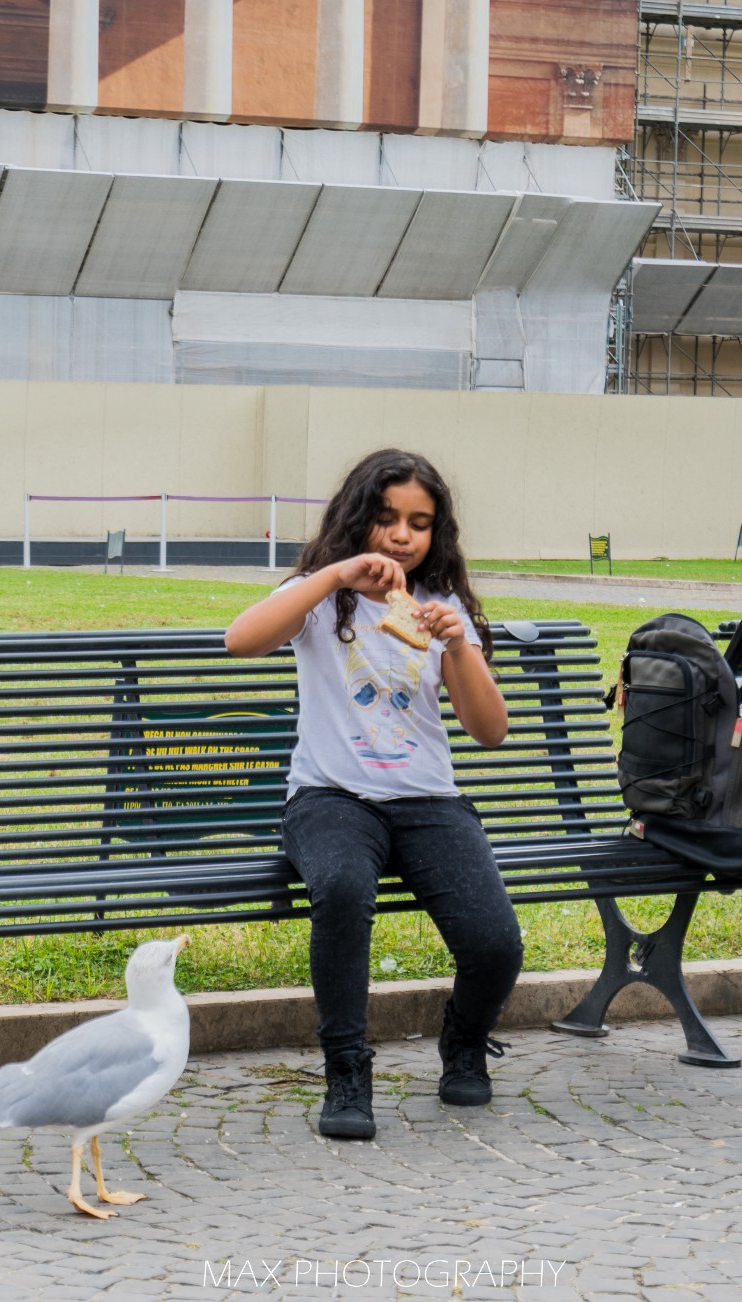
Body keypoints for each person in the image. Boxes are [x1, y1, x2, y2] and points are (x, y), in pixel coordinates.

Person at [224, 448, 522, 1140]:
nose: (401, 536)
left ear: (436, 533)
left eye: (419, 523)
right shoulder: (320, 597)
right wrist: (333, 574)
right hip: (330, 797)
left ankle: (464, 1041)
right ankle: (347, 1070)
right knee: (341, 890)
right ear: (356, 518)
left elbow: (489, 731)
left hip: (427, 801)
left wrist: (460, 647)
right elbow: (239, 640)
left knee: (496, 943)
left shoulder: (443, 607)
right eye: (386, 518)